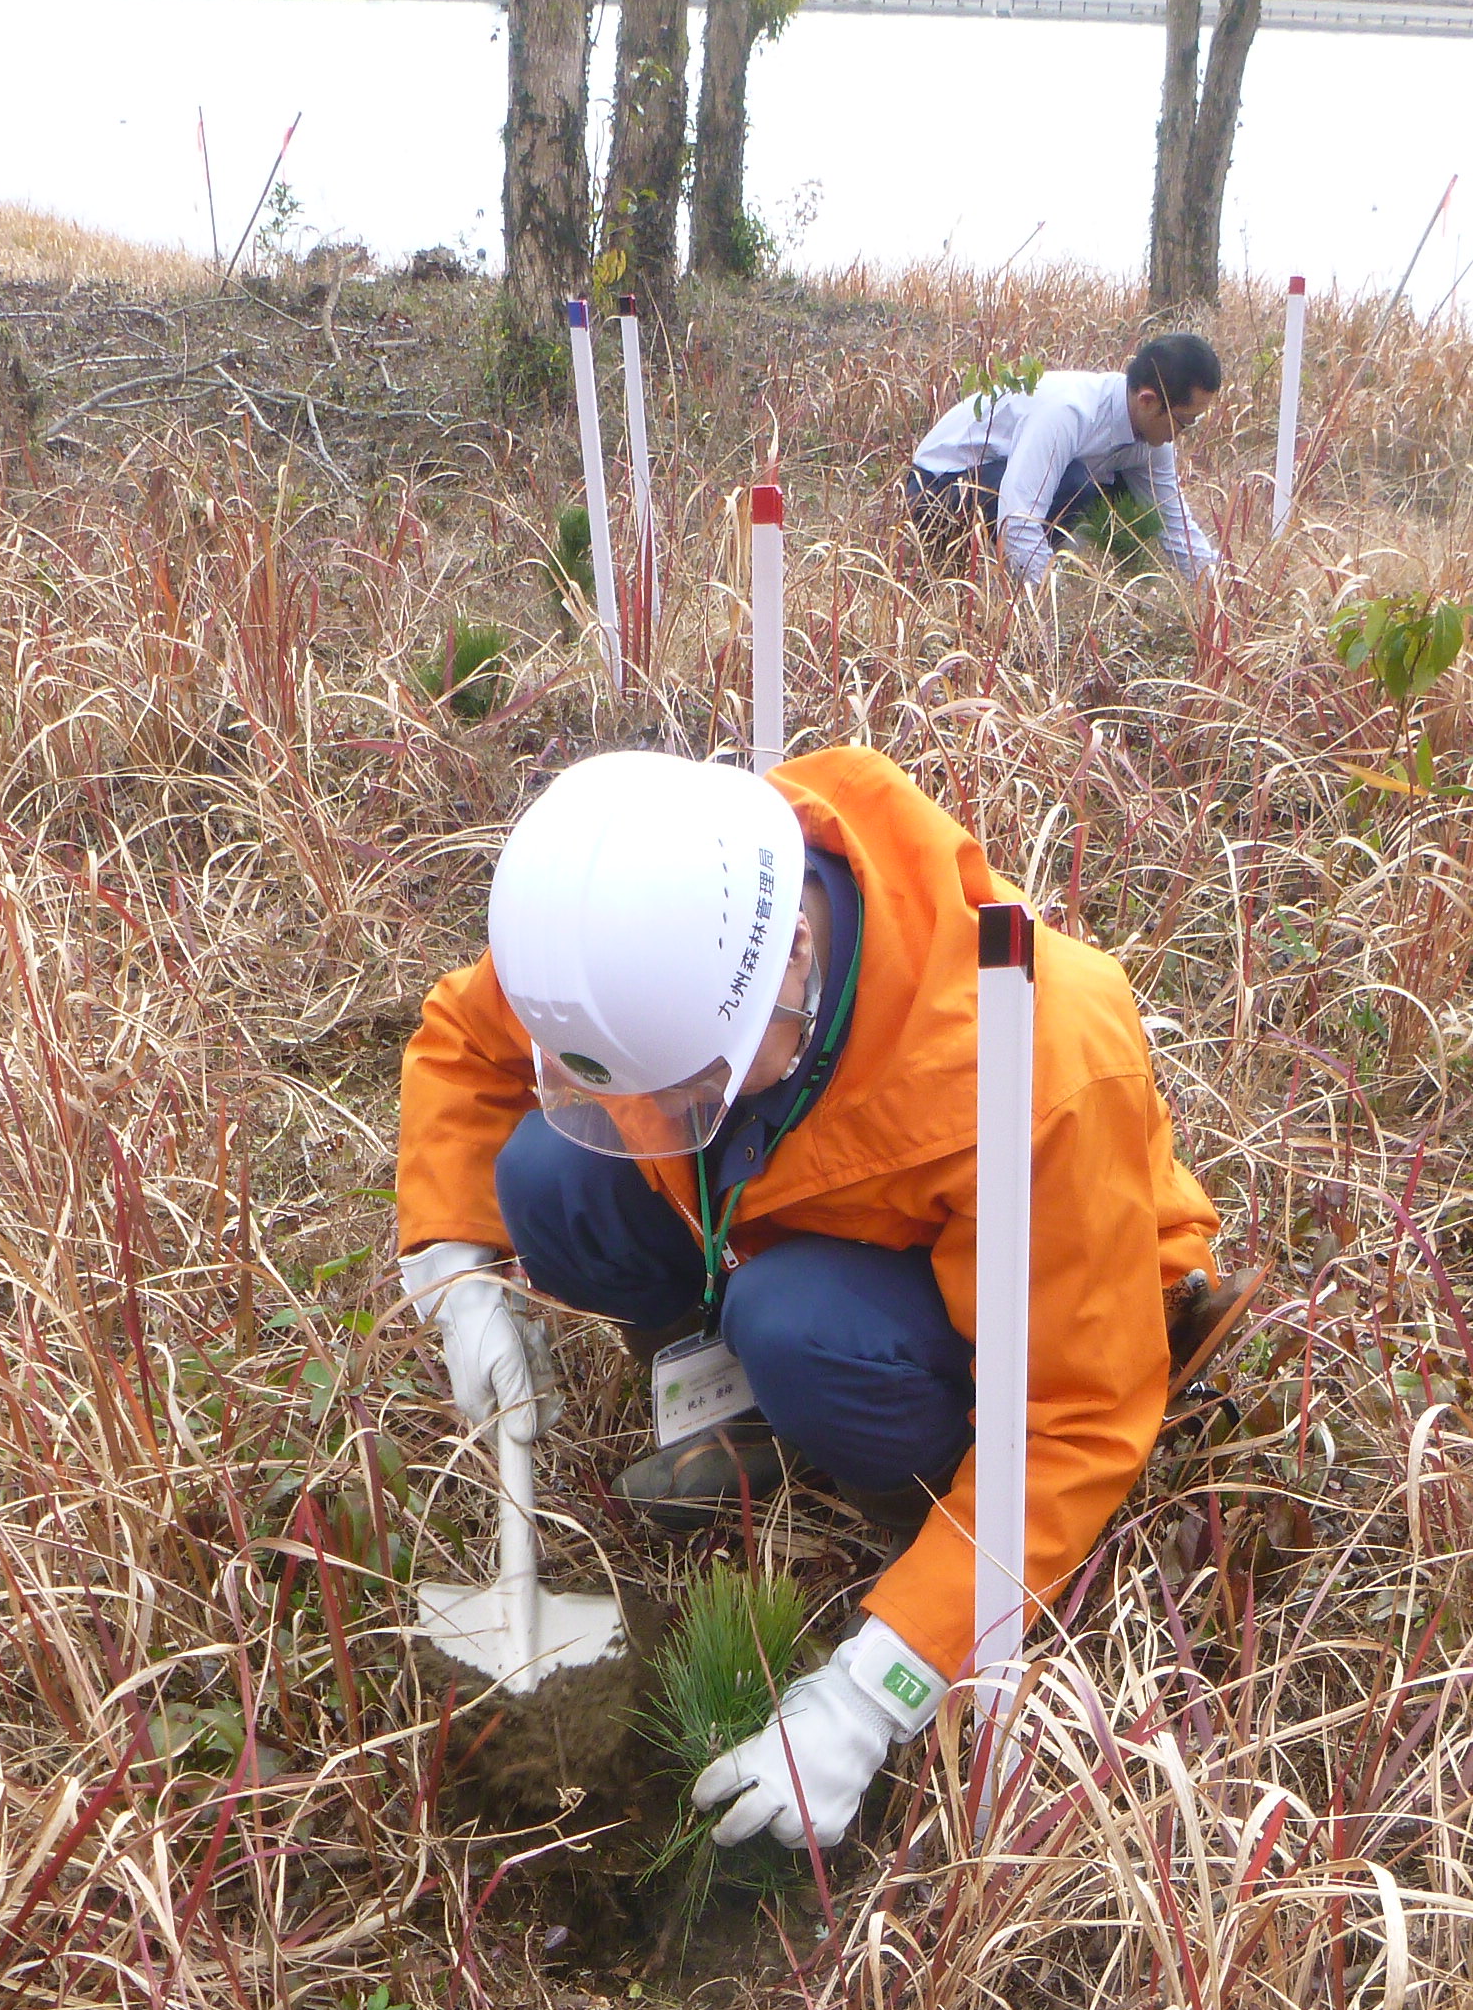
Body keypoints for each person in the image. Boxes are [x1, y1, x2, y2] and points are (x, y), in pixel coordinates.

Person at [396, 747, 1225, 1852]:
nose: (654, 1121)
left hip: (1001, 1318)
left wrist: (874, 1691)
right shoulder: (636, 925)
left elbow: (1069, 1419)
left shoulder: (1030, 1056)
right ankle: (742, 1403)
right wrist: (452, 1275)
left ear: (794, 961)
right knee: (551, 1178)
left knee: (800, 1332)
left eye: (695, 1088)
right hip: (763, 1224)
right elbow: (464, 1040)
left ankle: (901, 1492)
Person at [907, 334, 1226, 587]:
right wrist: (1051, 604)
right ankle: (1007, 583)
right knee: (1078, 484)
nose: (1185, 432)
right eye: (1186, 421)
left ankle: (1057, 575)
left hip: (999, 486)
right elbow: (1017, 518)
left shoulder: (1152, 435)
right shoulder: (1067, 412)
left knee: (1125, 499)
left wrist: (1220, 589)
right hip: (937, 490)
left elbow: (1173, 523)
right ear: (1147, 400)